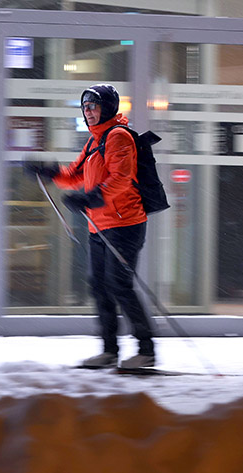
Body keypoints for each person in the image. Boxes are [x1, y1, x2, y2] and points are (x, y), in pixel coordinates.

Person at [24, 83, 156, 369]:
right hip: (99, 225)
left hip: (124, 224)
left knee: (119, 285)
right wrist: (48, 172)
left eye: (93, 106)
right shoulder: (95, 140)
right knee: (99, 286)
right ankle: (109, 350)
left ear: (107, 107)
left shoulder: (119, 137)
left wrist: (90, 198)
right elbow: (75, 174)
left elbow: (121, 179)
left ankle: (146, 349)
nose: (88, 112)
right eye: (85, 107)